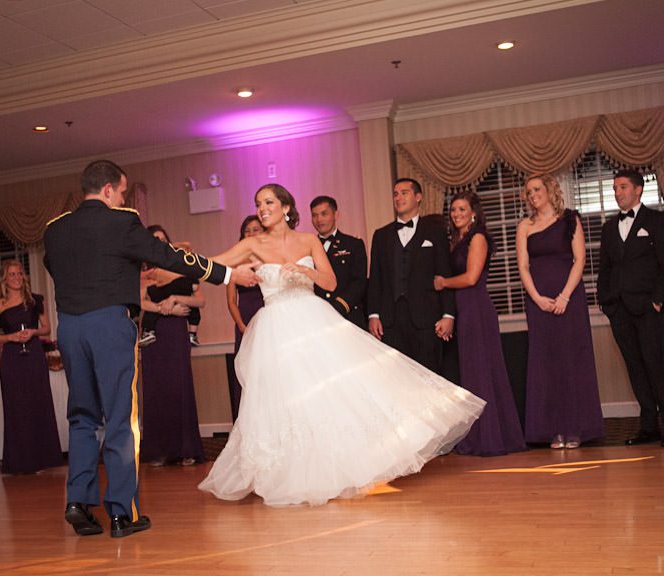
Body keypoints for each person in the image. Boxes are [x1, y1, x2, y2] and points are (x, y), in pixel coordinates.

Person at [198, 183, 484, 507]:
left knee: (334, 393)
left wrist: (304, 270)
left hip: (312, 318)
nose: (262, 209)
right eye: (258, 203)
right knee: (285, 399)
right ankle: (290, 470)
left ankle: (335, 467)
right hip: (276, 328)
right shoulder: (252, 244)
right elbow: (212, 263)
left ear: (286, 207)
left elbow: (331, 281)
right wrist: (188, 263)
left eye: (268, 202)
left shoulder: (307, 241)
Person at [44, 159, 257, 538]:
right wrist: (227, 274)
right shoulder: (121, 222)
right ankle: (122, 513)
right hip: (109, 324)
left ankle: (78, 502)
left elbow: (57, 267)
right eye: (122, 192)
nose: (123, 199)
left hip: (70, 327)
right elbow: (171, 257)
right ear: (108, 190)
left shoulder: (55, 229)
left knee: (82, 416)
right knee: (120, 417)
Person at [434, 191, 527, 456]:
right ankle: (475, 436)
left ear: (474, 213)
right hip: (461, 309)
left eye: (462, 209)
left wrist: (443, 282)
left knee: (481, 372)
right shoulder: (455, 240)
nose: (456, 214)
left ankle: (490, 438)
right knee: (469, 373)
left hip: (475, 308)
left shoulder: (478, 238)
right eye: (453, 210)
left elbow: (472, 277)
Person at [516, 174, 604, 449]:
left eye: (537, 189)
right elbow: (523, 267)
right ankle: (553, 430)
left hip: (570, 300)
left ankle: (575, 428)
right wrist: (537, 299)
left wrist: (565, 296)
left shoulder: (569, 219)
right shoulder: (525, 226)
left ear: (549, 190)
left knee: (571, 361)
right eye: (529, 191)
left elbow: (580, 259)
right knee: (546, 365)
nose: (532, 195)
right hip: (538, 303)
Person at [597, 169, 664, 448]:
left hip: (648, 308)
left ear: (638, 189)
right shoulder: (609, 228)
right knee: (634, 367)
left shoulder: (658, 221)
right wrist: (606, 301)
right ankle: (649, 427)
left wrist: (658, 299)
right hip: (619, 309)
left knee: (656, 366)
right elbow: (605, 268)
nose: (617, 192)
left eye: (622, 187)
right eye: (615, 188)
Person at [367, 178, 455, 372]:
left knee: (429, 376)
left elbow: (444, 274)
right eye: (395, 194)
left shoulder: (435, 232)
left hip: (426, 319)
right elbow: (375, 279)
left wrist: (448, 314)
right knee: (396, 376)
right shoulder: (381, 235)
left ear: (418, 197)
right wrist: (373, 314)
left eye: (404, 193)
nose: (398, 198)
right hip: (390, 321)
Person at [139, 225, 206, 467]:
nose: (158, 243)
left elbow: (201, 301)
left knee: (180, 387)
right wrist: (163, 308)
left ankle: (187, 449)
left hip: (177, 331)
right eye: (153, 240)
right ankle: (160, 451)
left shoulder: (182, 267)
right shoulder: (144, 273)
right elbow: (139, 302)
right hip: (154, 335)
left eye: (162, 239)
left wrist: (175, 299)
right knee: (157, 389)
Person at [0, 260, 62, 474]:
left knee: (38, 403)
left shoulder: (35, 300)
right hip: (12, 358)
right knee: (17, 407)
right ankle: (20, 462)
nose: (17, 278)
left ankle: (43, 459)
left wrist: (33, 332)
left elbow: (47, 328)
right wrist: (10, 337)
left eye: (19, 273)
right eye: (12, 274)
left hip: (34, 355)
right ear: (4, 279)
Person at [225, 215, 265, 421]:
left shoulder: (269, 258)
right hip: (245, 320)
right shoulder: (236, 263)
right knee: (247, 370)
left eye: (255, 229)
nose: (251, 233)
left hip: (267, 318)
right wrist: (241, 325)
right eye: (247, 231)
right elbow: (231, 301)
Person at [309, 195, 368, 329]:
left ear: (336, 215)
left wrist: (339, 306)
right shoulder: (306, 248)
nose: (319, 219)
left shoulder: (353, 244)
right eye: (314, 215)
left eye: (324, 214)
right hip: (318, 318)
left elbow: (359, 282)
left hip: (347, 314)